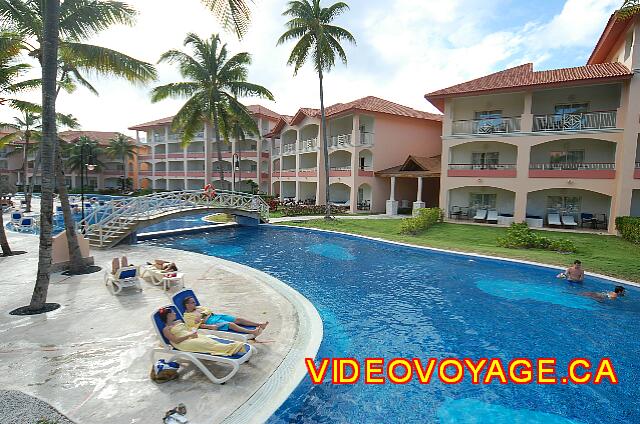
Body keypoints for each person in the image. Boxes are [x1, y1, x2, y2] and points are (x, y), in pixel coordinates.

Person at [159, 307, 247, 356]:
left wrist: (193, 332)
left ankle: (229, 347)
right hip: (183, 343)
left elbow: (189, 329)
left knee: (209, 341)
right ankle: (232, 348)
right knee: (205, 344)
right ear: (168, 315)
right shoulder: (166, 329)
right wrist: (190, 335)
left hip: (190, 336)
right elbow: (175, 341)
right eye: (173, 313)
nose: (175, 314)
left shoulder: (178, 321)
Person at [182, 296, 268, 337]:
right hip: (210, 322)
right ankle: (252, 332)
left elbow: (209, 310)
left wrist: (201, 315)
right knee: (230, 324)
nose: (195, 303)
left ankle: (259, 324)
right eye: (193, 302)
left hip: (215, 316)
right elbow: (196, 325)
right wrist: (209, 326)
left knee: (237, 319)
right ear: (187, 305)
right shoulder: (187, 316)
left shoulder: (198, 308)